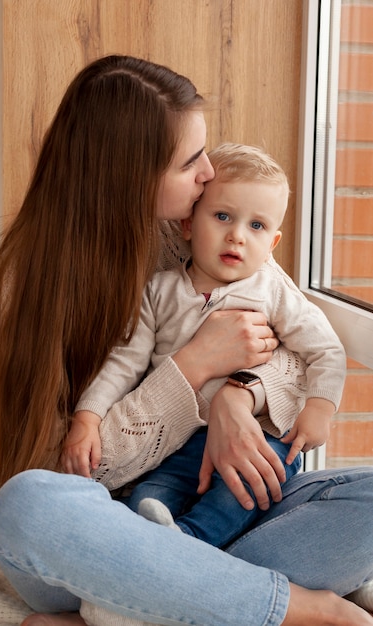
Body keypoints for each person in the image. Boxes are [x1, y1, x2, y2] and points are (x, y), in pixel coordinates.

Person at [0, 54, 373, 626]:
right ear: (131, 174)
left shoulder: (212, 233)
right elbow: (72, 473)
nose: (210, 172)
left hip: (216, 512)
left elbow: (294, 340)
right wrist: (189, 368)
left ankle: (142, 608)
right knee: (26, 505)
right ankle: (294, 610)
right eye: (191, 162)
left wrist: (241, 396)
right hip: (109, 531)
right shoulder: (32, 278)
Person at [63, 143, 346, 549]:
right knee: (148, 499)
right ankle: (167, 552)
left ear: (273, 243)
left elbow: (325, 350)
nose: (237, 235)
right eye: (223, 216)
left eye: (257, 226)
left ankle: (185, 547)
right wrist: (87, 418)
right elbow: (123, 363)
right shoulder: (158, 292)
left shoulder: (272, 290)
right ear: (188, 225)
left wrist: (320, 408)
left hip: (258, 438)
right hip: (180, 445)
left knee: (244, 492)